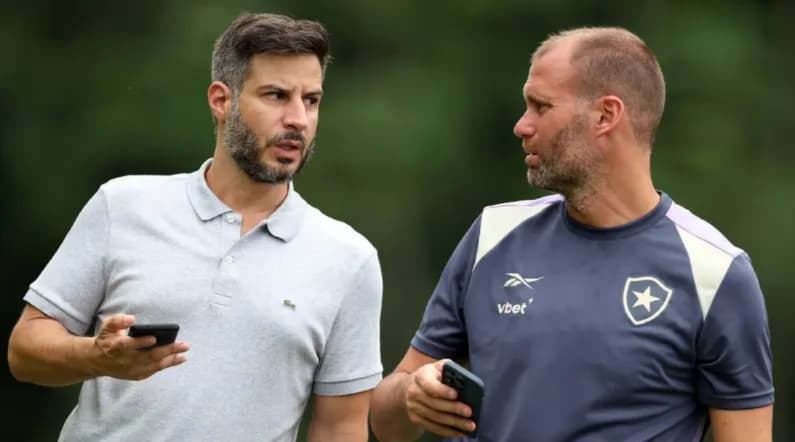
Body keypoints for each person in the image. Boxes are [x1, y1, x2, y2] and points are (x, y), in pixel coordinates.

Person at [370, 26, 773, 442]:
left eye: (540, 107)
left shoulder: (717, 274)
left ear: (605, 115)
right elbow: (386, 424)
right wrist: (410, 397)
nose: (521, 126)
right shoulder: (493, 234)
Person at [7, 12, 383, 442]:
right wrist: (97, 357)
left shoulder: (350, 259)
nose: (298, 119)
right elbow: (25, 353)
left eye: (311, 100)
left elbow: (340, 429)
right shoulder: (124, 205)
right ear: (221, 100)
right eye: (277, 96)